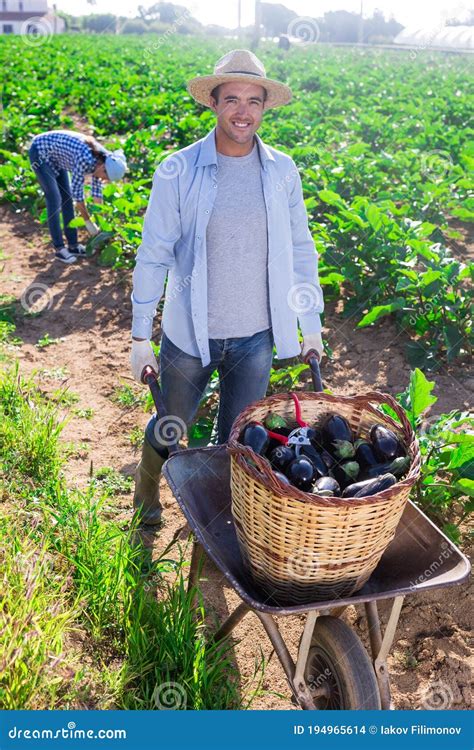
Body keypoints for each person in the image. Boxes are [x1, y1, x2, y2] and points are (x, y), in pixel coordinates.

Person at [130, 49, 325, 529]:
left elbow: (301, 250)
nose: (243, 111)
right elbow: (154, 253)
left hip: (256, 335)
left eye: (254, 101)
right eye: (232, 98)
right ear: (214, 102)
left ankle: (218, 519)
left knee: (239, 437)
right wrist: (139, 336)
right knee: (171, 421)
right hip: (189, 332)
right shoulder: (179, 169)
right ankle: (146, 492)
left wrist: (310, 325)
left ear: (264, 107)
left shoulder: (281, 171)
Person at [28, 130, 127, 264]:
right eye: (106, 177)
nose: (104, 180)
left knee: (66, 197)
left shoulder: (102, 160)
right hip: (40, 151)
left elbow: (97, 195)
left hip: (58, 158)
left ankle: (73, 246)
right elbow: (78, 197)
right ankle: (59, 249)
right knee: (55, 198)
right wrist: (88, 221)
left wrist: (102, 224)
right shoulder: (85, 158)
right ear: (103, 168)